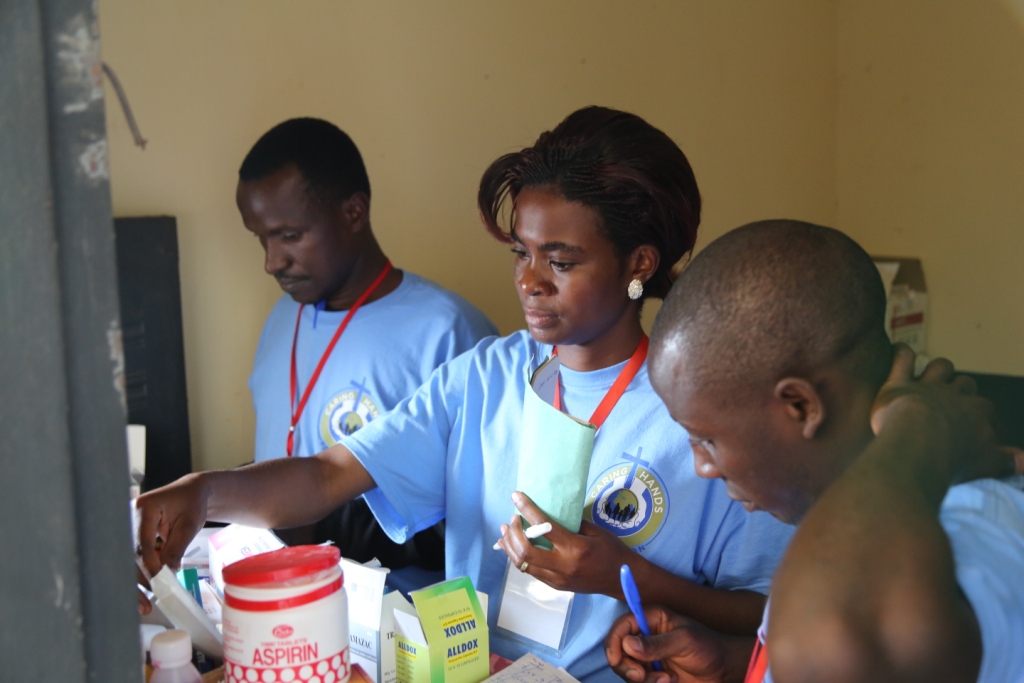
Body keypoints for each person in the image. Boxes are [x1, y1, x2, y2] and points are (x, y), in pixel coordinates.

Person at [136, 107, 794, 682]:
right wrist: (205, 491)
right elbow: (328, 474)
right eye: (521, 253)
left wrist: (624, 574)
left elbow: (766, 616)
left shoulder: (701, 417)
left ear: (638, 264)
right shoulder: (486, 377)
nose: (530, 281)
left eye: (561, 261)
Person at [605, 219, 1024, 683]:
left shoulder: (972, 521)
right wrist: (734, 663)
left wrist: (919, 425)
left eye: (706, 439)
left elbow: (828, 643)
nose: (702, 467)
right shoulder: (853, 521)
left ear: (802, 406)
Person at [238, 118, 496, 568]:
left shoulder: (447, 331)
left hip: (398, 606)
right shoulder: (282, 317)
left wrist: (332, 527)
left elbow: (486, 511)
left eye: (290, 236)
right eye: (261, 238)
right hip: (282, 593)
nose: (271, 262)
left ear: (354, 212)